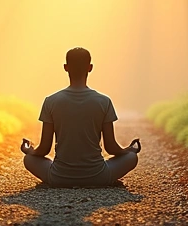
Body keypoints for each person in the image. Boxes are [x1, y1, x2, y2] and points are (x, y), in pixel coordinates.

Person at [21, 47, 141, 187]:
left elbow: (44, 149)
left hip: (59, 177)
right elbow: (111, 147)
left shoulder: (51, 101)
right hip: (98, 176)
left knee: (29, 159)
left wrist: (30, 150)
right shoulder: (104, 101)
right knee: (132, 158)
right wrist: (128, 150)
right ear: (90, 68)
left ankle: (61, 177)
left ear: (65, 67)